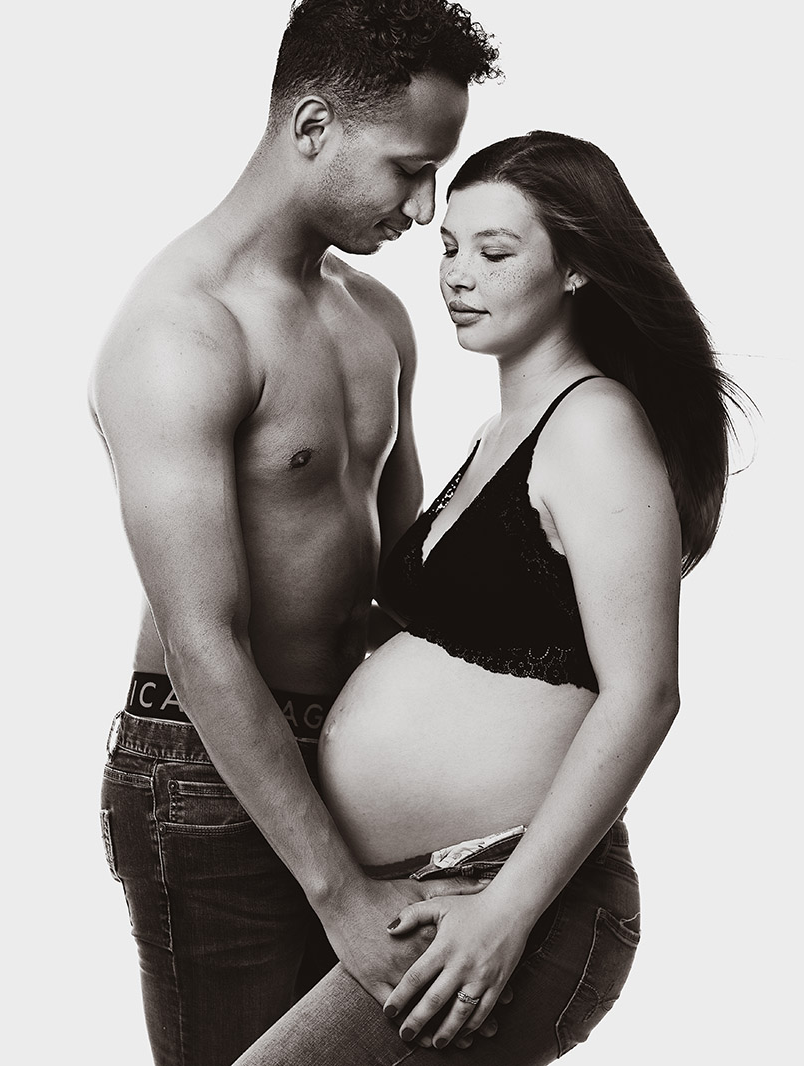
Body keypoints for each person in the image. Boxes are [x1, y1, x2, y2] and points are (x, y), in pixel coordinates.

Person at [229, 130, 748, 1065]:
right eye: (451, 249)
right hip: (420, 892)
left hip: (512, 898)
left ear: (578, 268)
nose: (459, 276)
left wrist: (508, 909)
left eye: (496, 253)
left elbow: (645, 695)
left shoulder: (591, 425)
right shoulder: (496, 430)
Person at [91, 2, 501, 1063]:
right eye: (408, 168)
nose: (424, 209)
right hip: (206, 772)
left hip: (352, 754)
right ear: (311, 125)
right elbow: (203, 640)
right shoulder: (183, 331)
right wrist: (339, 892)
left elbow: (411, 583)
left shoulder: (378, 318)